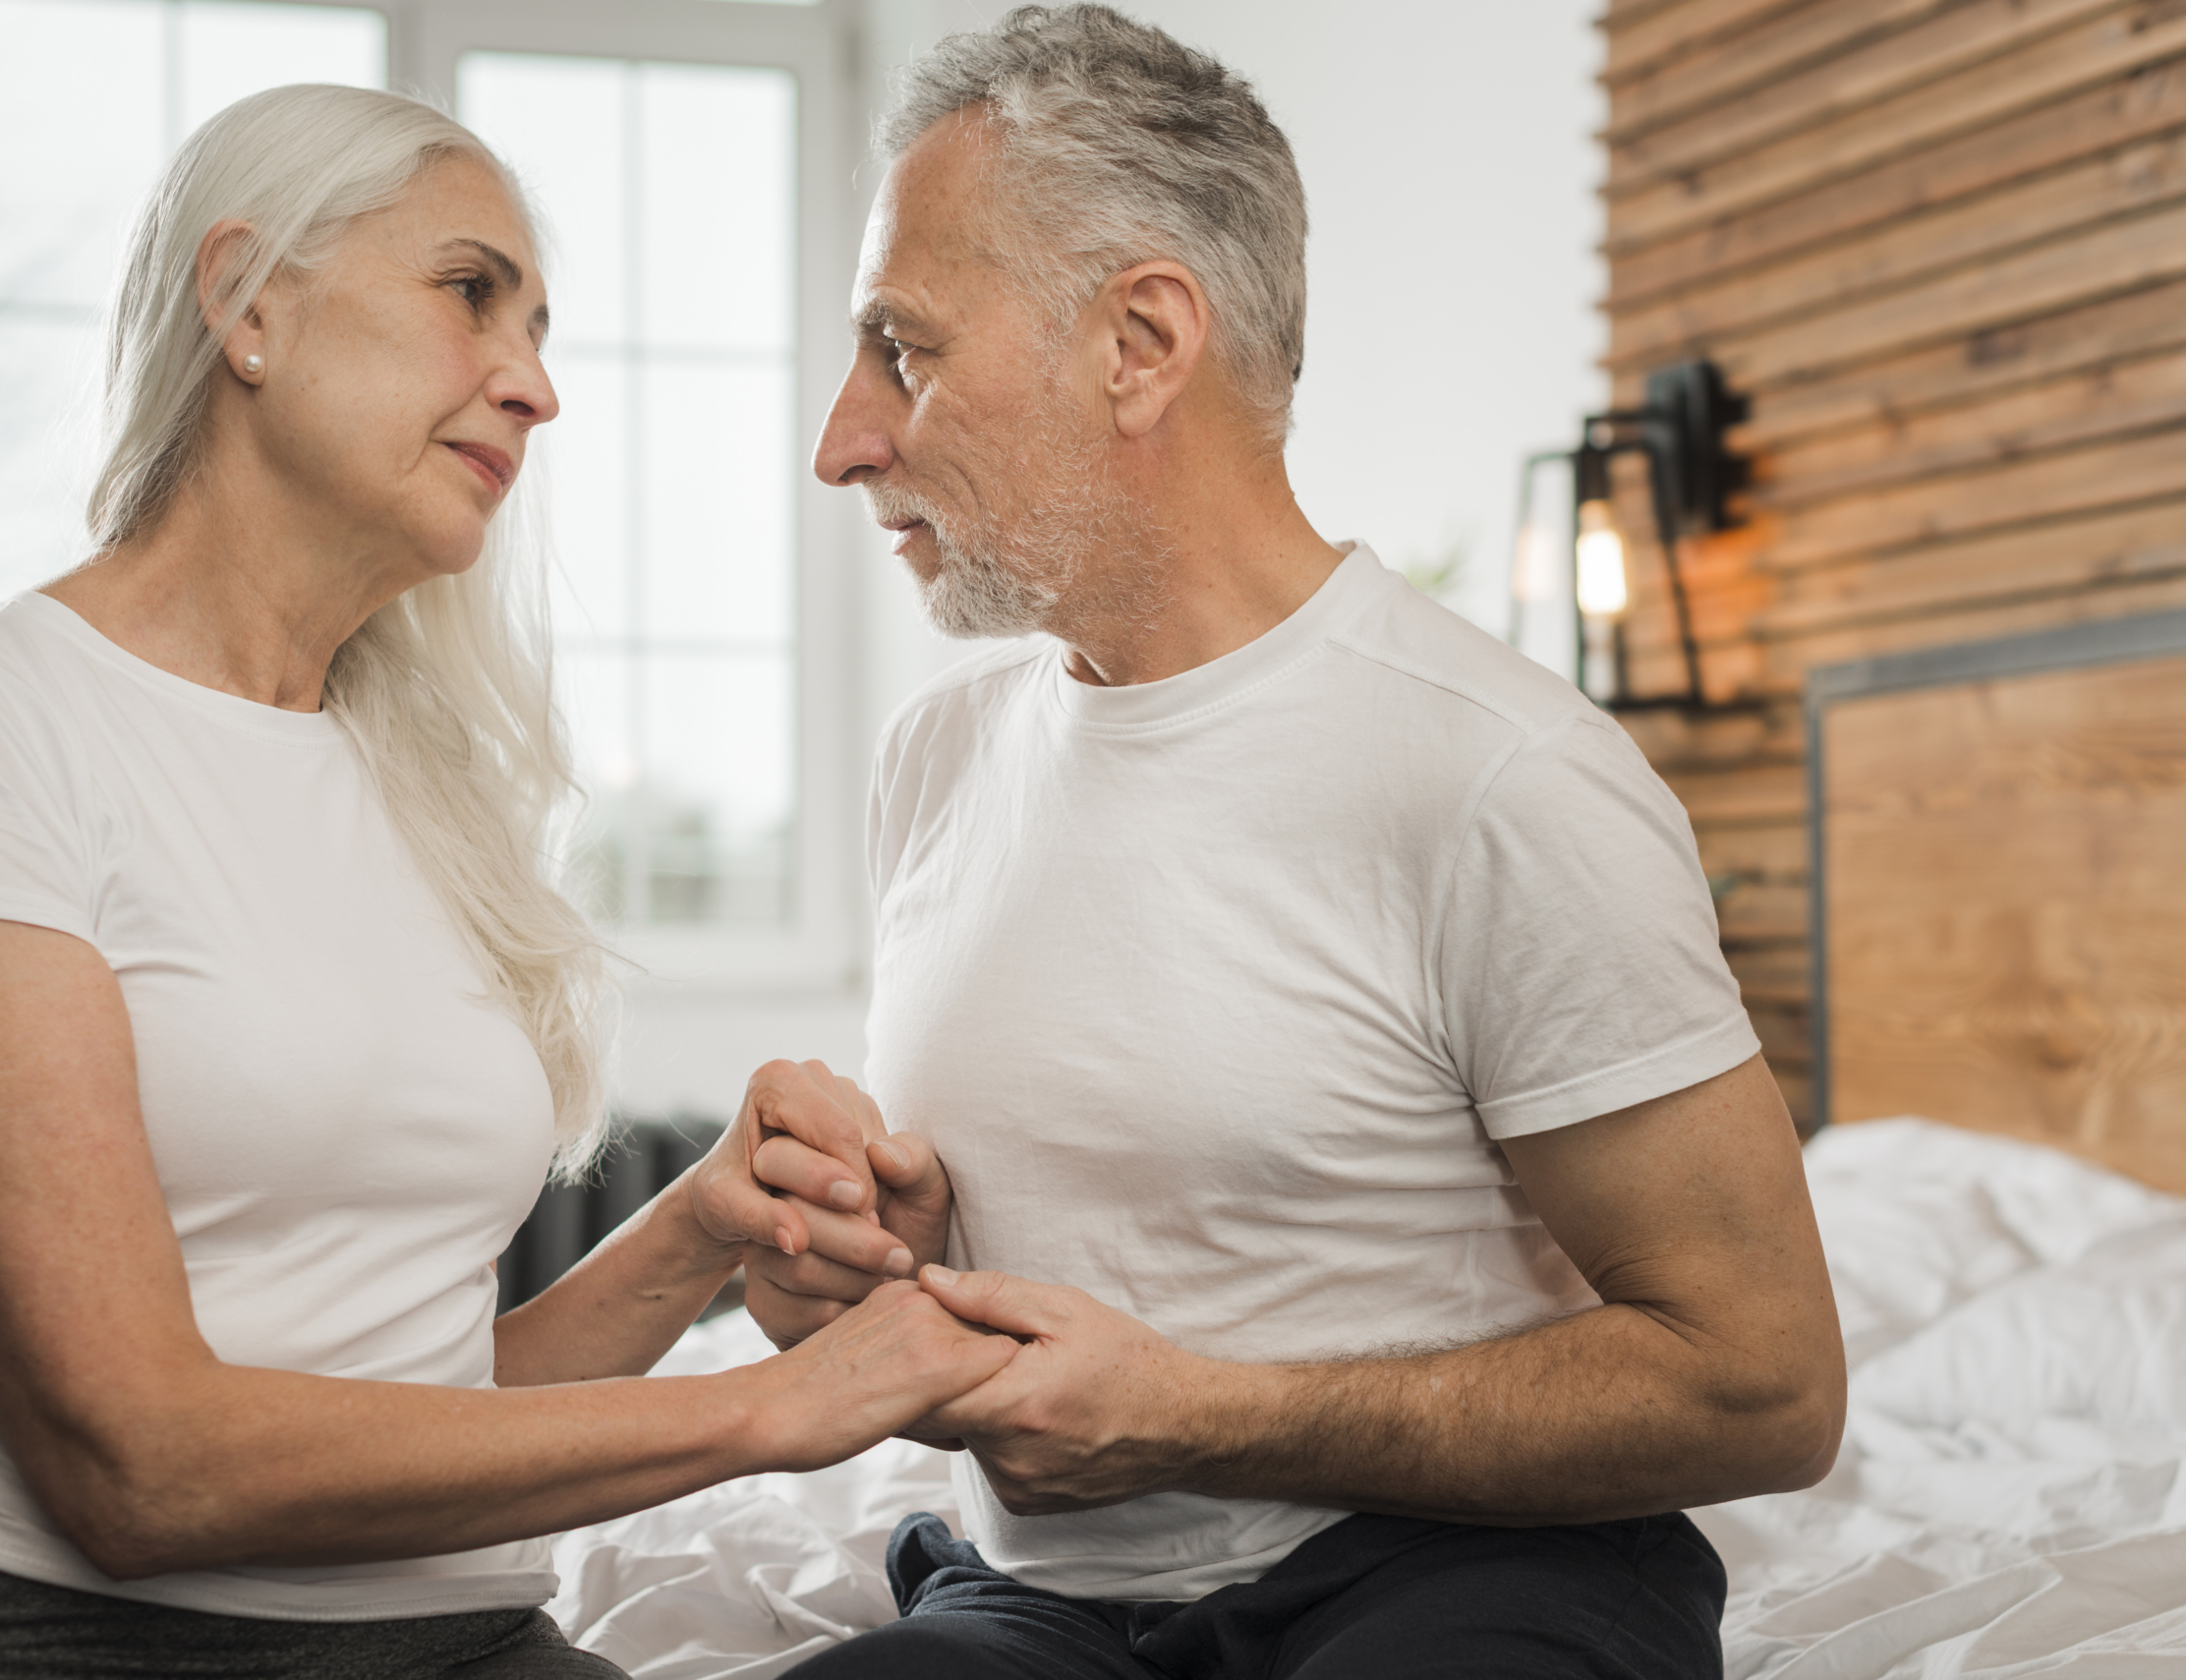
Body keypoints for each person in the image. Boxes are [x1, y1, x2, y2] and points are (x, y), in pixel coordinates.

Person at [0, 85, 1015, 1680]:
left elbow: (412, 1412)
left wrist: (699, 1226)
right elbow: (141, 1467)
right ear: (247, 303)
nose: (535, 385)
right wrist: (766, 1409)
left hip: (441, 1633)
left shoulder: (425, 792)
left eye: (539, 328)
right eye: (470, 292)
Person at [736, 8, 1849, 1677]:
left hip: (1467, 1571)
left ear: (1141, 342)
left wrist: (1205, 1415)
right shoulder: (937, 759)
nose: (842, 440)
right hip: (1040, 1602)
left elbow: (1765, 1385)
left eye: (904, 347)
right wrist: (856, 1268)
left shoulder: (1503, 776)